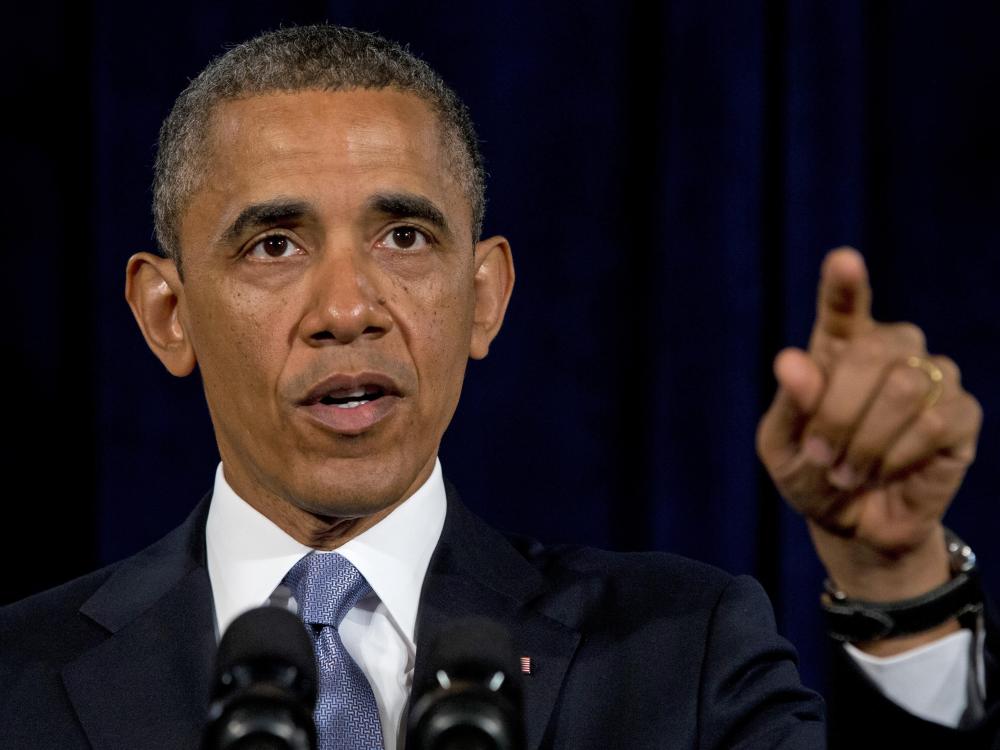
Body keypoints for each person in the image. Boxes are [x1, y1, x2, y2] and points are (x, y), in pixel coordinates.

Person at [0, 23, 995, 749]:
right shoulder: (18, 680)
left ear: (483, 297)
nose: (347, 307)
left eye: (404, 237)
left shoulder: (677, 653)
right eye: (273, 243)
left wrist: (894, 582)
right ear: (167, 313)